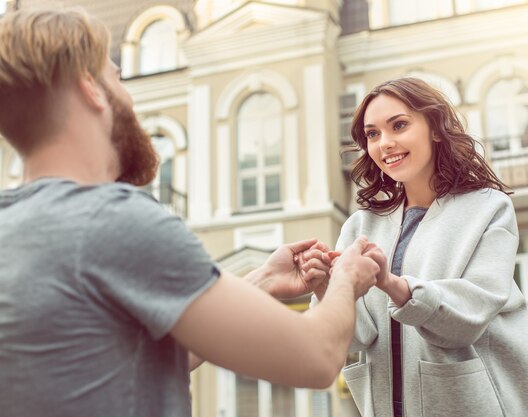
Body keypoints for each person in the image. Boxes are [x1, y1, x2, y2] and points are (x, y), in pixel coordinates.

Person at [0, 8, 381, 417]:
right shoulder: (115, 221)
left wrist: (263, 280)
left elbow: (148, 362)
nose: (128, 96)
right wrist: (346, 279)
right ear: (90, 87)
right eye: (117, 77)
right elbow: (317, 355)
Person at [305, 77, 528, 417]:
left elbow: (470, 315)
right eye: (373, 134)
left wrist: (394, 286)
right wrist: (327, 289)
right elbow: (358, 337)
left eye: (398, 125)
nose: (385, 143)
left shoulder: (489, 209)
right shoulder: (361, 226)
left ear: (435, 128)